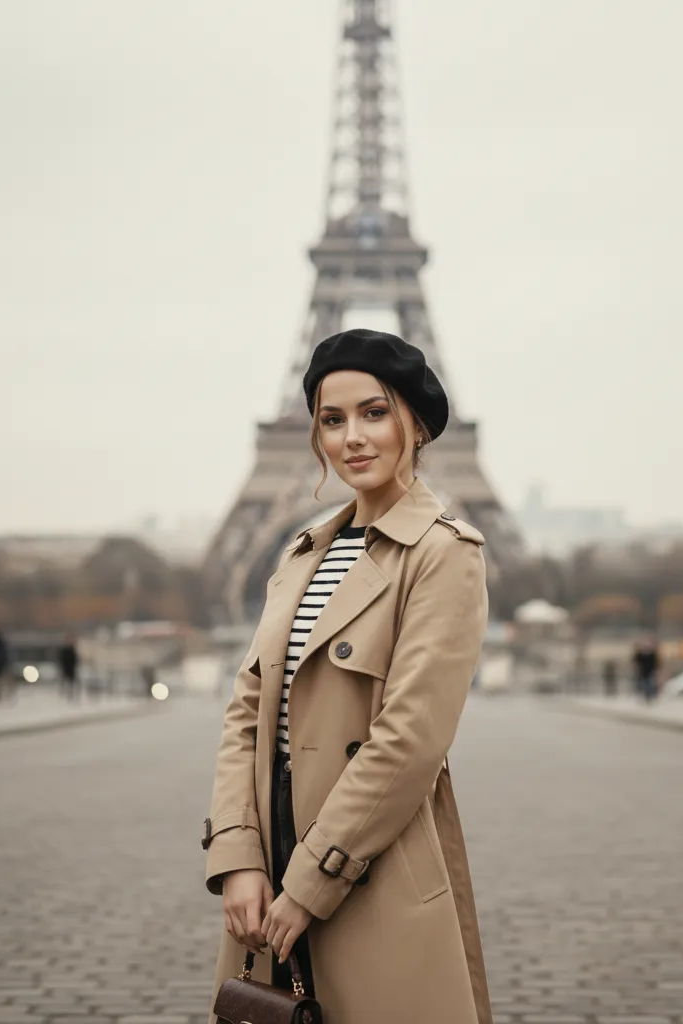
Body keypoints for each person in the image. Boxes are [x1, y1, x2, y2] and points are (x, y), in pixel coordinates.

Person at [202, 329, 493, 1024]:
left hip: (367, 874)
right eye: (332, 420)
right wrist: (239, 857)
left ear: (415, 425)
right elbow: (246, 716)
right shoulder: (300, 556)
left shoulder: (443, 556)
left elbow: (408, 742)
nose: (352, 437)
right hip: (268, 875)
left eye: (374, 412)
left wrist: (309, 882)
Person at [632, 635, 660, 702]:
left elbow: (656, 662)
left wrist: (657, 669)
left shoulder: (652, 653)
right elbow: (636, 660)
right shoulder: (641, 653)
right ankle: (646, 695)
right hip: (643, 671)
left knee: (650, 682)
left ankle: (650, 695)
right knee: (644, 683)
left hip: (650, 670)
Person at [58, 636, 80, 701]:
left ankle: (70, 694)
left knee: (70, 683)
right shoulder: (66, 651)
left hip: (70, 669)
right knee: (66, 682)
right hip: (67, 668)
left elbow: (75, 660)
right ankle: (64, 693)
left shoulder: (72, 650)